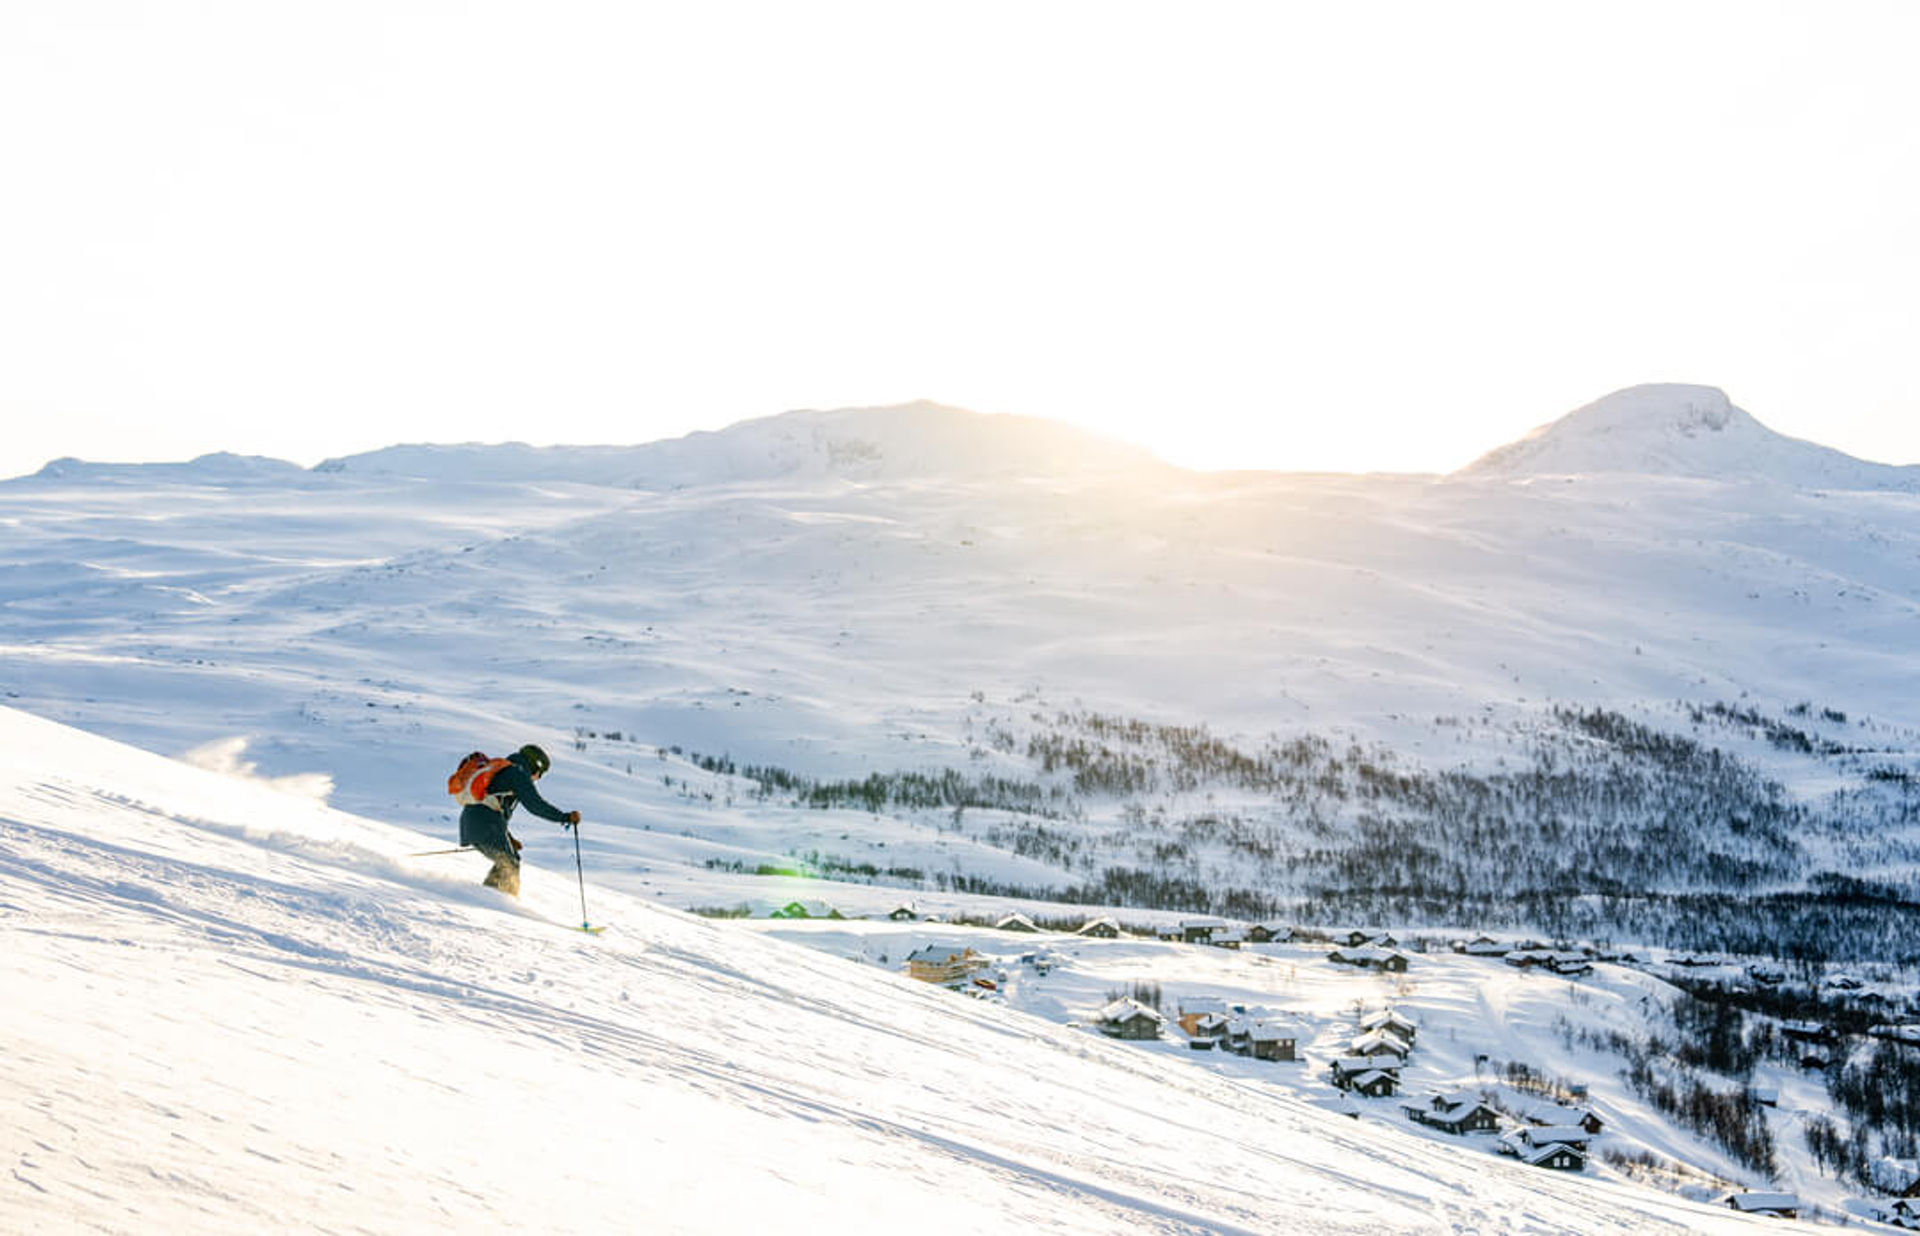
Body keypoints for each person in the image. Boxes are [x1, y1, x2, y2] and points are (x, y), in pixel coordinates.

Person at [458, 743, 580, 897]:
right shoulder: (517, 773)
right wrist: (565, 817)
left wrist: (508, 838)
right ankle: (494, 902)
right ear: (535, 767)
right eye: (540, 774)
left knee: (510, 860)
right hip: (485, 823)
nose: (537, 779)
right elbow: (535, 805)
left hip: (474, 821)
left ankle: (491, 897)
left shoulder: (504, 768)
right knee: (509, 864)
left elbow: (495, 805)